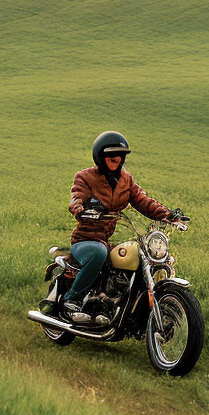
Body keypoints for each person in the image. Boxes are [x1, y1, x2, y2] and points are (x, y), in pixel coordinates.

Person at [64, 131, 171, 321]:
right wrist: (81, 209)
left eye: (120, 158)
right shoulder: (85, 177)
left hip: (108, 239)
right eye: (112, 158)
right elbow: (76, 197)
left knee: (137, 255)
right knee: (98, 252)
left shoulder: (125, 180)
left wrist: (168, 215)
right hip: (85, 240)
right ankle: (72, 299)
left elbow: (143, 201)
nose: (117, 161)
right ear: (101, 157)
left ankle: (117, 305)